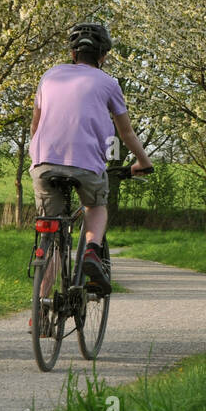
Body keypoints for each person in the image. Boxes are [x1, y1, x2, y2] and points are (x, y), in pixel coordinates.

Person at [29, 22, 152, 296]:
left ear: (73, 53)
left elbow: (35, 126)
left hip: (43, 162)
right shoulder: (109, 83)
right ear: (103, 56)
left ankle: (40, 310)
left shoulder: (49, 76)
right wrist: (143, 162)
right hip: (86, 163)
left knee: (52, 234)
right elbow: (126, 132)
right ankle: (92, 253)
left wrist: (37, 154)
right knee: (95, 207)